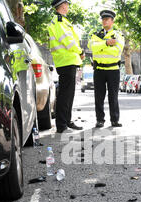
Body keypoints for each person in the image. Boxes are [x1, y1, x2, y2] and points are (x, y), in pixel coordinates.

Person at [48, 0, 84, 133]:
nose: (68, 7)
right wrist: (80, 51)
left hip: (69, 61)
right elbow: (68, 41)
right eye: (67, 4)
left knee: (69, 94)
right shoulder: (59, 21)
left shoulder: (63, 21)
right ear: (62, 6)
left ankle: (67, 121)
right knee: (65, 94)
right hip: (65, 61)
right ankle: (62, 125)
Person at [88, 10, 125, 128]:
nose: (104, 21)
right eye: (103, 19)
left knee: (113, 96)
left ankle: (115, 120)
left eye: (107, 19)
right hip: (99, 69)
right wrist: (107, 43)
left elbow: (116, 51)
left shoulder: (118, 35)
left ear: (112, 21)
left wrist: (101, 46)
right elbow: (92, 48)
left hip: (113, 69)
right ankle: (100, 120)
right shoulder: (95, 35)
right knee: (99, 97)